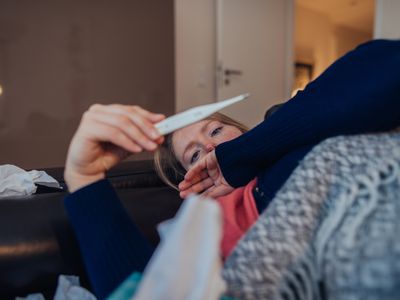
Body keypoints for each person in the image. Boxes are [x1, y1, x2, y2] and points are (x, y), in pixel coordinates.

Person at [64, 39, 400, 299]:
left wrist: (244, 154)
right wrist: (85, 178)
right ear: (192, 180)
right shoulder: (210, 216)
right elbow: (148, 292)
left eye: (215, 131)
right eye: (195, 156)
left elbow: (385, 63)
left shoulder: (289, 130)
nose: (210, 147)